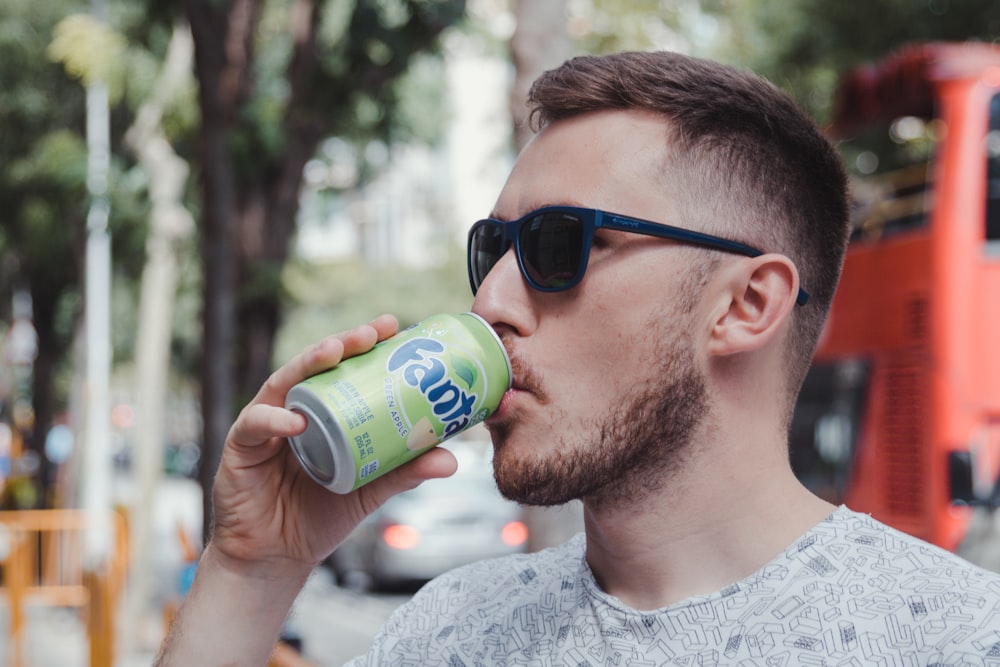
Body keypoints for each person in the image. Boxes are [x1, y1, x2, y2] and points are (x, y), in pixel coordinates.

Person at [156, 51, 1000, 665]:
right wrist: (250, 570)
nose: (490, 303)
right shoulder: (449, 631)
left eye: (559, 245)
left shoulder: (952, 637)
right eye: (492, 249)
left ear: (747, 305)